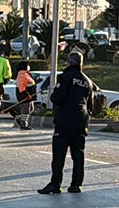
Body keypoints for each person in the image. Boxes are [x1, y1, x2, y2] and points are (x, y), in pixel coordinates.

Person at [38, 52, 94, 194]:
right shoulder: (88, 82)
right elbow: (91, 106)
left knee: (59, 155)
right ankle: (76, 184)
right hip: (81, 121)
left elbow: (58, 97)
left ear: (69, 62)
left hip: (64, 121)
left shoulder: (64, 77)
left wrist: (53, 95)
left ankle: (55, 184)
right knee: (78, 155)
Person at [15, 61, 35, 130]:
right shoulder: (22, 75)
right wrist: (26, 94)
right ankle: (23, 124)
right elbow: (21, 87)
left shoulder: (26, 74)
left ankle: (20, 119)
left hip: (29, 96)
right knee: (25, 111)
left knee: (31, 109)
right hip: (24, 96)